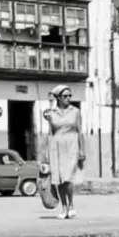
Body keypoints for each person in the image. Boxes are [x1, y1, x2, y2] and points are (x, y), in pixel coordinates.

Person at [43, 85, 85, 220]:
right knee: (59, 179)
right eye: (65, 96)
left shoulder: (76, 111)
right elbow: (50, 134)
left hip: (72, 145)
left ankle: (72, 205)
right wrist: (46, 153)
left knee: (68, 178)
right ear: (58, 98)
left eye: (69, 96)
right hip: (56, 146)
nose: (68, 98)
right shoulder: (51, 113)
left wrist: (82, 150)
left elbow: (80, 132)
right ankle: (64, 207)